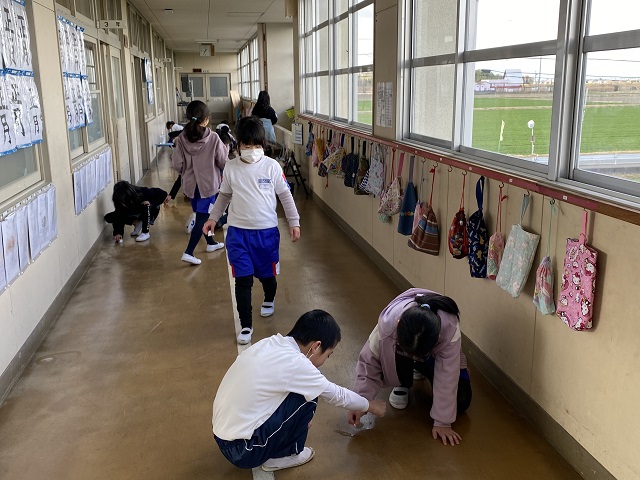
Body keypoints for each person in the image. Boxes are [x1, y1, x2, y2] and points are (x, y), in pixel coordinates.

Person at [213, 310, 387, 472]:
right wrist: (370, 406)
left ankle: (280, 439)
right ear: (316, 346)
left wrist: (295, 420)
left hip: (222, 437)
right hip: (245, 451)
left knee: (302, 390)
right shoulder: (296, 363)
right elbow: (337, 395)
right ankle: (284, 456)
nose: (325, 360)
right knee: (308, 396)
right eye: (328, 355)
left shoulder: (271, 343)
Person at [203, 116, 300, 345]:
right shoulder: (231, 168)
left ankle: (269, 298)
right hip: (238, 234)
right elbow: (224, 196)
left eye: (256, 145)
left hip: (266, 234)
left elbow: (285, 195)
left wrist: (294, 222)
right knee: (243, 280)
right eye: (247, 145)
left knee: (267, 277)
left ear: (263, 144)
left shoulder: (272, 166)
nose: (252, 149)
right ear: (238, 145)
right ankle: (246, 325)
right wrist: (213, 218)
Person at [348, 288, 472, 446]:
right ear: (398, 324)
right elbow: (369, 364)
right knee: (397, 354)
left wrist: (443, 422)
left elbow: (448, 375)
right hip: (399, 352)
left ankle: (418, 365)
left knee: (462, 401)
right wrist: (360, 402)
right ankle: (403, 381)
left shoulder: (449, 329)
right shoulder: (388, 323)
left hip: (430, 356)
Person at [172, 100, 229, 265]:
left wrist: (187, 172)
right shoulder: (213, 138)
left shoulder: (181, 139)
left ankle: (210, 242)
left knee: (203, 215)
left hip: (191, 187)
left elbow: (177, 164)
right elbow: (223, 162)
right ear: (206, 119)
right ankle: (188, 252)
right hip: (208, 186)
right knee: (203, 218)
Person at [104, 180, 169, 243]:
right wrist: (118, 233)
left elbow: (162, 194)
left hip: (149, 210)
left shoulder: (142, 192)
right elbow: (119, 215)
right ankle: (137, 222)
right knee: (109, 217)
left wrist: (151, 203)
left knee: (146, 205)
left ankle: (145, 232)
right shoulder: (119, 201)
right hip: (134, 212)